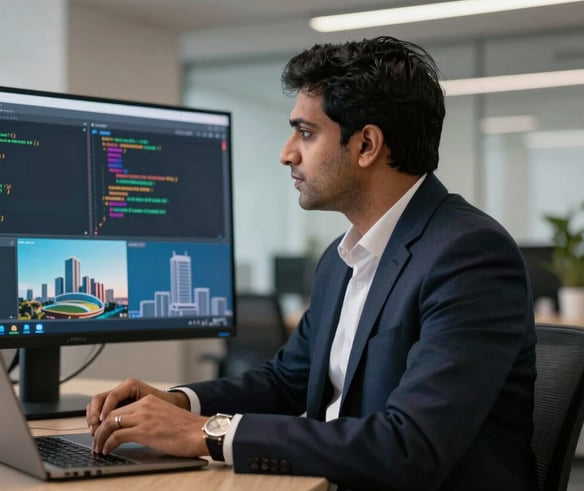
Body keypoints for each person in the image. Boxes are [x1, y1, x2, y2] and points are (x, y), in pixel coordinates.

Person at [86, 36, 537, 491]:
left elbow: (411, 446)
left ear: (366, 145)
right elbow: (288, 381)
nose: (287, 153)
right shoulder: (341, 258)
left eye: (305, 132)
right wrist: (180, 402)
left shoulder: (469, 255)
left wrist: (206, 433)